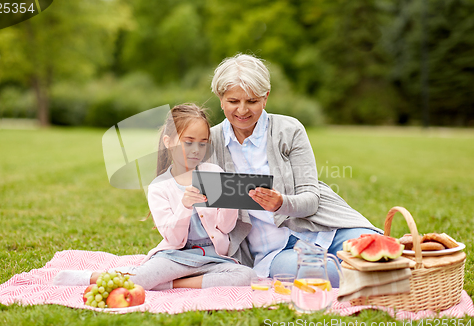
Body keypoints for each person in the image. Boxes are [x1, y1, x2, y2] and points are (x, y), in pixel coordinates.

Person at [209, 54, 382, 287]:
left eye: (251, 101)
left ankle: (381, 274)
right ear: (221, 99)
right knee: (327, 273)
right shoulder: (210, 141)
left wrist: (281, 203)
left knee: (378, 251)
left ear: (265, 98)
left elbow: (311, 199)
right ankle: (376, 279)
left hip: (324, 228)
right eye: (233, 101)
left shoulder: (289, 129)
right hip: (275, 250)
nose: (242, 110)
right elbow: (202, 203)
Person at [54, 103, 256, 290]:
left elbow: (225, 228)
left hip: (212, 258)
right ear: (168, 142)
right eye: (188, 142)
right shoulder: (160, 186)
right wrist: (185, 206)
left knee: (244, 276)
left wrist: (232, 200)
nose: (196, 150)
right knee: (139, 280)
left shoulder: (213, 173)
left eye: (203, 144)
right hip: (175, 256)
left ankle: (172, 285)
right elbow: (174, 238)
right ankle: (91, 277)